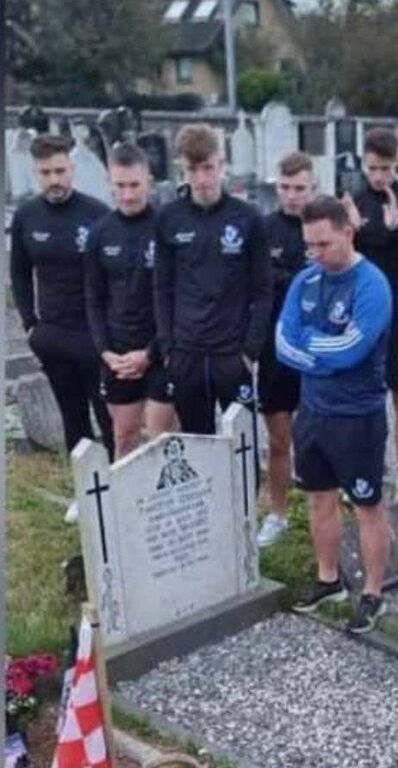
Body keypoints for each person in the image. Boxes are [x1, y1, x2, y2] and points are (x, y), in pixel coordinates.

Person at [275, 195, 393, 634]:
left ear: (348, 231)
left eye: (324, 244)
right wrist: (317, 351)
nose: (316, 254)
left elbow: (353, 350)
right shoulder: (305, 281)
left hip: (358, 415)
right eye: (310, 246)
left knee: (366, 504)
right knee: (318, 498)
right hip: (314, 411)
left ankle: (373, 592)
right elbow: (282, 345)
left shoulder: (372, 285)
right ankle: (329, 580)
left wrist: (311, 345)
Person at [10, 133, 114, 520]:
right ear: (35, 173)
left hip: (95, 335)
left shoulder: (97, 214)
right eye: (45, 173)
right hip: (52, 336)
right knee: (73, 418)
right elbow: (19, 274)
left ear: (71, 169)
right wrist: (31, 324)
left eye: (59, 170)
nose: (54, 179)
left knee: (106, 414)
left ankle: (115, 486)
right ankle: (85, 492)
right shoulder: (26, 217)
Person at [154, 123, 272, 435]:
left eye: (209, 168)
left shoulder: (248, 218)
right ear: (182, 168)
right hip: (186, 354)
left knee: (243, 447)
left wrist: (250, 351)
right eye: (193, 170)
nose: (202, 179)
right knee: (197, 443)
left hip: (232, 355)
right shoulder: (168, 218)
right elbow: (162, 288)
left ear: (222, 165)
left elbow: (262, 289)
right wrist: (168, 348)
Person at [342, 127, 398, 502]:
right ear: (364, 164)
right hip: (362, 314)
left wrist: (395, 232)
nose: (379, 177)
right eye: (373, 168)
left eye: (386, 168)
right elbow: (345, 260)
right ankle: (362, 469)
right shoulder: (354, 202)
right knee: (361, 396)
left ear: (397, 165)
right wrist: (355, 233)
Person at [85, 143, 175, 460]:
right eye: (120, 186)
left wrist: (150, 353)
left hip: (160, 352)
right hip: (118, 356)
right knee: (123, 438)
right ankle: (128, 509)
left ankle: (164, 507)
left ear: (149, 181)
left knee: (160, 439)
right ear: (110, 184)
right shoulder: (100, 234)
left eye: (134, 185)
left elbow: (177, 299)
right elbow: (94, 300)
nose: (127, 195)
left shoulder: (166, 228)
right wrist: (107, 353)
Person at [256, 151, 316, 548]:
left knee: (318, 440)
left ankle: (321, 509)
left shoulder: (326, 226)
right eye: (286, 188)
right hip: (275, 350)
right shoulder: (262, 229)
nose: (292, 196)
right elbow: (260, 282)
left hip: (318, 352)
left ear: (313, 188)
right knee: (279, 442)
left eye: (300, 189)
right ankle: (277, 512)